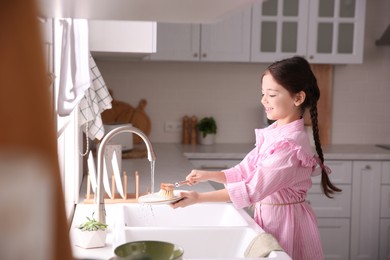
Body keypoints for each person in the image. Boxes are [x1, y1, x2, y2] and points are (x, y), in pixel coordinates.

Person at [171, 56, 341, 260]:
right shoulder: (276, 132)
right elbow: (244, 171)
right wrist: (208, 175)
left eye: (271, 94)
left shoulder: (289, 147)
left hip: (288, 226)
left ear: (298, 98)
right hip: (272, 219)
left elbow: (251, 189)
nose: (263, 100)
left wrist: (199, 198)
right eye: (263, 93)